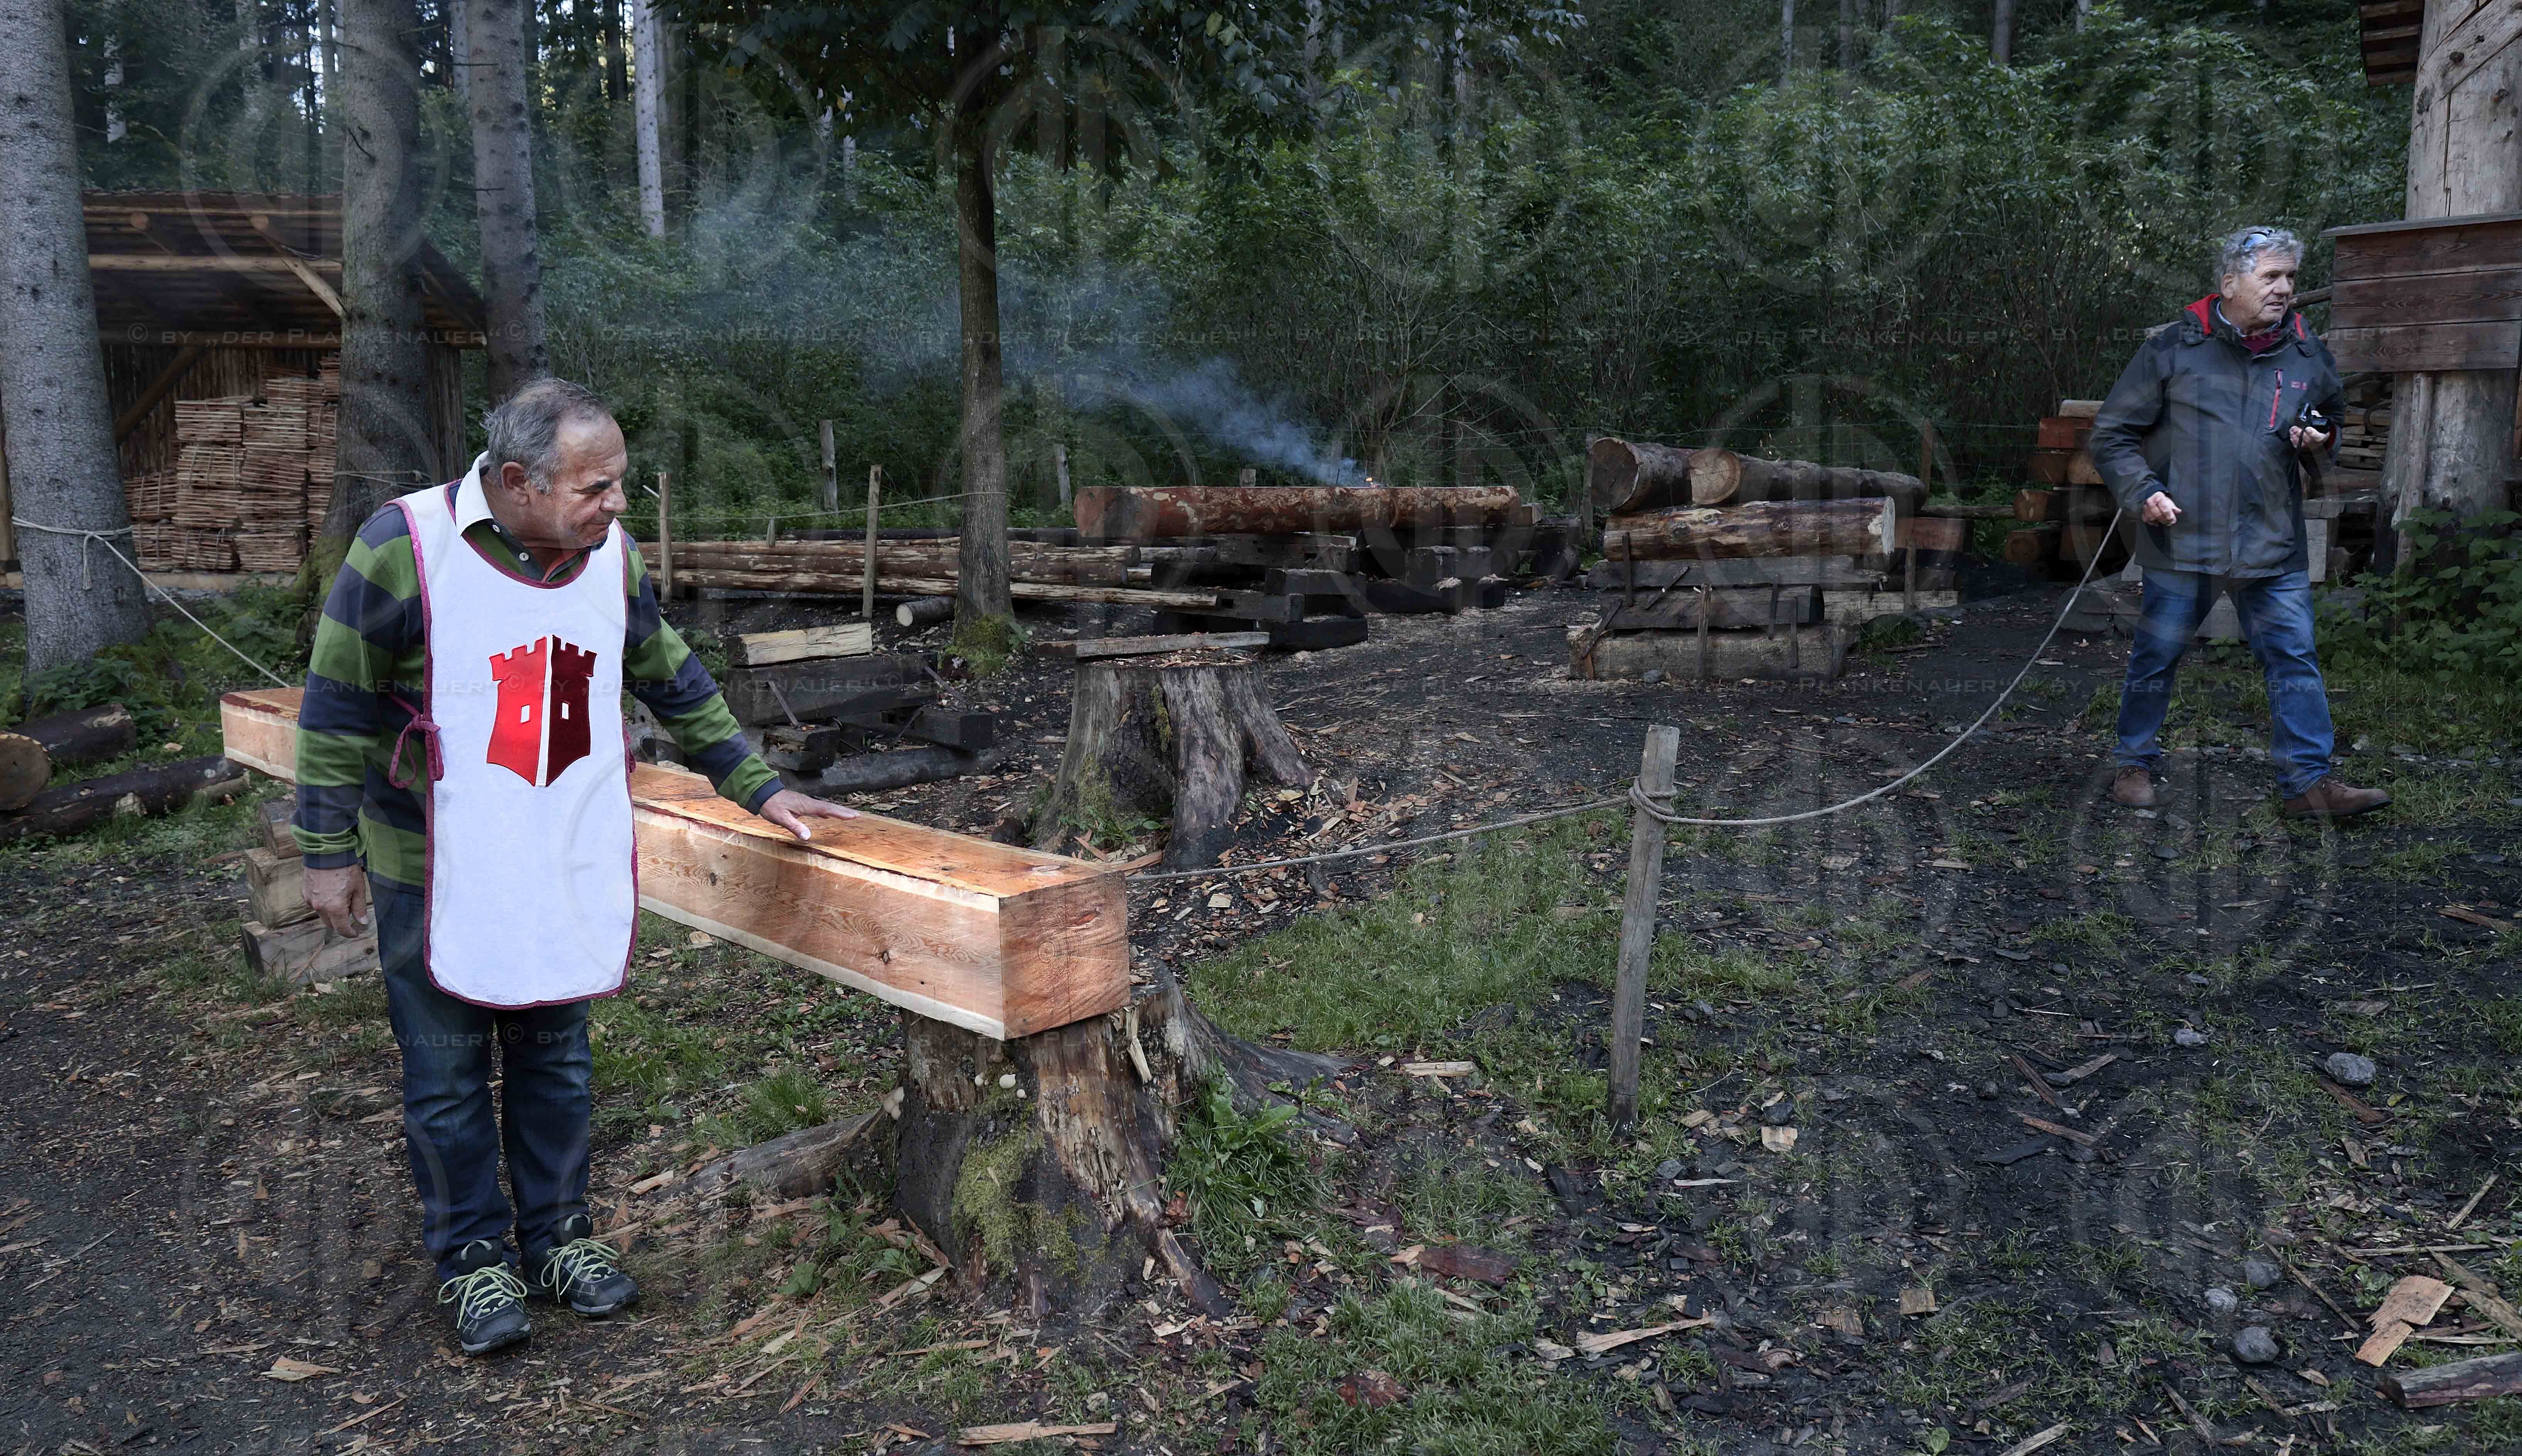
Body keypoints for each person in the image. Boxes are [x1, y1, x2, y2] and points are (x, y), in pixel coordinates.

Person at [292, 377, 857, 1355]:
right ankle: (472, 1260)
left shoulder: (609, 560)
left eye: (621, 484)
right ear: (518, 481)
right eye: (596, 488)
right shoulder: (404, 546)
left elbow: (672, 678)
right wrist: (324, 850)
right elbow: (338, 703)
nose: (618, 505)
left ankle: (558, 1240)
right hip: (431, 865)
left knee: (556, 1061)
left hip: (557, 854)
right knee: (447, 1073)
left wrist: (759, 786)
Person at [2087, 226, 2389, 819]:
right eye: (2270, 277)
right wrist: (2143, 490)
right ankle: (2134, 764)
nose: (2285, 290)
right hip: (2183, 537)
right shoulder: (2172, 349)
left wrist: (2321, 436)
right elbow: (2112, 434)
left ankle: (2308, 784)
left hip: (2272, 543)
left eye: (2291, 279)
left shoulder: (2307, 353)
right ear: (2229, 284)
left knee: (2294, 659)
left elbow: (2332, 417)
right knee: (2157, 655)